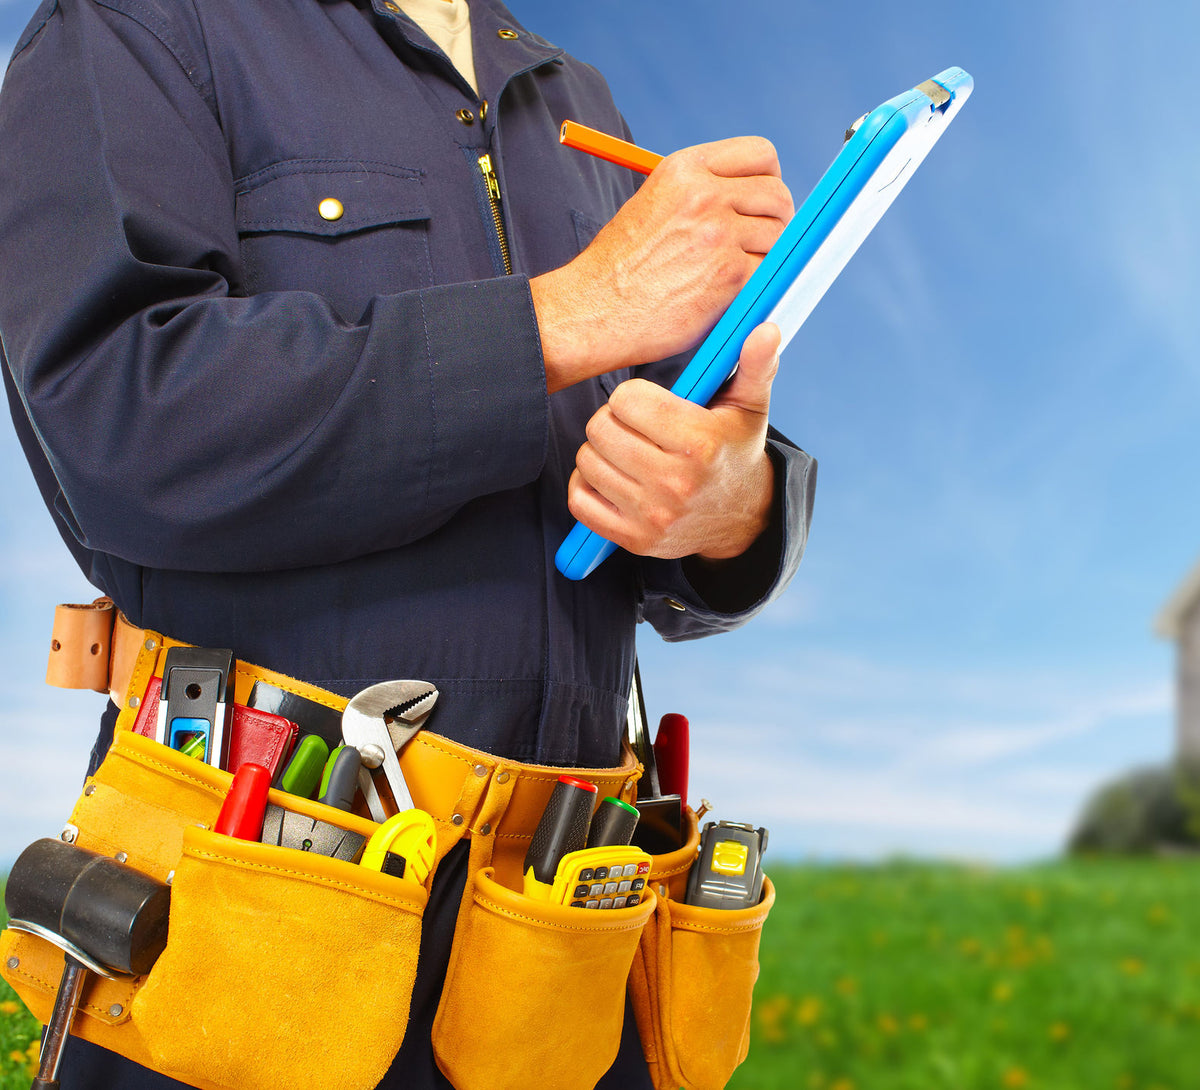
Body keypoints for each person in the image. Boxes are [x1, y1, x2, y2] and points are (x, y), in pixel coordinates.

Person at [0, 0, 816, 1086]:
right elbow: (120, 421)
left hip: (559, 935)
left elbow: (661, 501)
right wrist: (571, 313)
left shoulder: (574, 96)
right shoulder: (135, 29)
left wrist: (732, 506)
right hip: (259, 916)